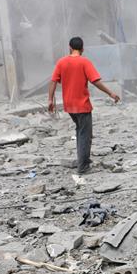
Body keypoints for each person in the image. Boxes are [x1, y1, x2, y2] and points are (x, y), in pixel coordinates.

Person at [48, 36, 119, 174]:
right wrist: (111, 93)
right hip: (82, 105)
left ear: (70, 47)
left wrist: (50, 100)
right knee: (85, 135)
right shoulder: (84, 62)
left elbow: (53, 81)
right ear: (82, 49)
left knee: (80, 131)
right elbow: (95, 81)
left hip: (69, 106)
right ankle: (83, 167)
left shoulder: (61, 62)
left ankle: (83, 160)